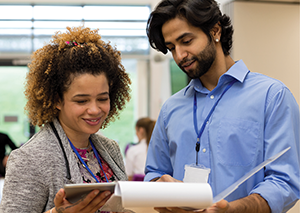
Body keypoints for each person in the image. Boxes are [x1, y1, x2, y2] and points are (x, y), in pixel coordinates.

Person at [144, 0, 300, 213]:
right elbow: (154, 173)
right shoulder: (170, 108)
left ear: (215, 31)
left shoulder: (272, 97)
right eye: (172, 48)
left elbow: (285, 181)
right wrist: (159, 190)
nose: (179, 56)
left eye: (186, 41)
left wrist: (235, 209)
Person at [0, 26, 131, 213]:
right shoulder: (29, 159)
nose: (95, 109)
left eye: (102, 98)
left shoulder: (110, 149)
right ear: (57, 100)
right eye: (81, 100)